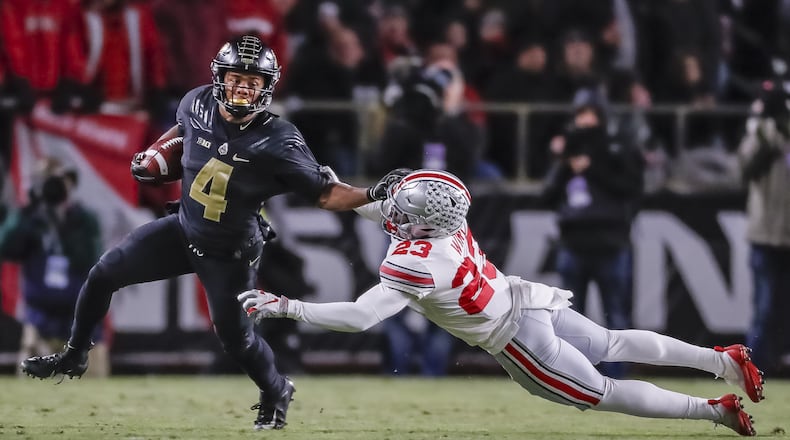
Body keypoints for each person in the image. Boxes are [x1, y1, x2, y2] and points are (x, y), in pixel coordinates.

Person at [20, 34, 410, 431]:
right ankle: (75, 354)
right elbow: (181, 134)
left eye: (253, 82)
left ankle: (277, 389)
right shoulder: (197, 102)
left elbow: (325, 193)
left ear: (266, 87)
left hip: (230, 252)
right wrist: (154, 154)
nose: (242, 89)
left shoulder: (280, 139)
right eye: (236, 79)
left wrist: (373, 192)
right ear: (220, 78)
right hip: (183, 228)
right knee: (103, 273)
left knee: (237, 341)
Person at [239, 169, 765, 437]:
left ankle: (713, 412)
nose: (392, 210)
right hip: (525, 299)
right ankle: (720, 360)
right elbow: (371, 205)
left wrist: (289, 307)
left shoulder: (418, 261)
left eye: (402, 208)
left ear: (424, 221)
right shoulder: (448, 221)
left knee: (601, 392)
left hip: (516, 339)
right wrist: (323, 179)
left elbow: (361, 316)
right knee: (611, 342)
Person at [540, 92, 644, 379]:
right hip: (574, 242)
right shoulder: (569, 149)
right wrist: (564, 164)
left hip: (610, 242)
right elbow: (547, 195)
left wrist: (593, 167)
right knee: (571, 318)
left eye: (590, 115)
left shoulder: (618, 148)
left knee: (616, 316)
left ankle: (617, 378)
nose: (585, 122)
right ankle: (577, 378)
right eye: (580, 115)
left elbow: (631, 188)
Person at [0, 162, 109, 378]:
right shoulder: (30, 219)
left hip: (79, 320)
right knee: (28, 386)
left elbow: (92, 259)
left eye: (60, 180)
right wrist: (24, 214)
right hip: (39, 320)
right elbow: (5, 248)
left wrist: (64, 227)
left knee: (96, 384)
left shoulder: (84, 219)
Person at [737, 76, 790, 374]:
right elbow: (745, 171)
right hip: (764, 234)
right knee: (764, 306)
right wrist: (768, 144)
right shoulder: (758, 131)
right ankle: (754, 367)